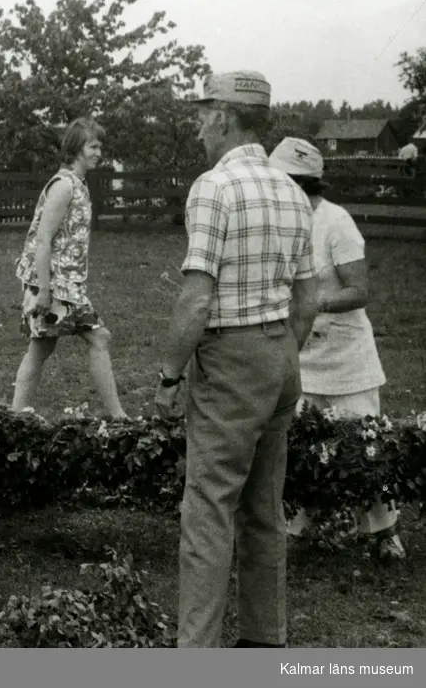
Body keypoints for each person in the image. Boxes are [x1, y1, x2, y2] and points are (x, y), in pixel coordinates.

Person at [155, 71, 318, 648]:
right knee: (264, 510)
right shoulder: (293, 191)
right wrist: (282, 350)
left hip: (232, 357)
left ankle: (196, 658)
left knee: (207, 510)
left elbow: (197, 297)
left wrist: (170, 375)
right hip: (281, 358)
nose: (198, 125)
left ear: (224, 117)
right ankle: (263, 645)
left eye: (203, 114)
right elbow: (310, 295)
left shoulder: (214, 187)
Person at [267, 137, 405, 561]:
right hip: (303, 351)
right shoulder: (279, 221)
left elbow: (359, 290)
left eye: (279, 181)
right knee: (305, 441)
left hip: (347, 358)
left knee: (366, 446)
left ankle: (384, 531)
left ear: (300, 183)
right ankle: (299, 524)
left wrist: (316, 302)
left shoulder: (337, 221)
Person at [12, 117, 128, 419]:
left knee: (42, 348)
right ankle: (118, 417)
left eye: (100, 146)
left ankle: (13, 417)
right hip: (53, 285)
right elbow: (43, 239)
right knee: (98, 337)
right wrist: (44, 292)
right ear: (77, 148)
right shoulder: (63, 186)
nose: (98, 152)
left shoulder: (78, 184)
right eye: (93, 146)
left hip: (66, 284)